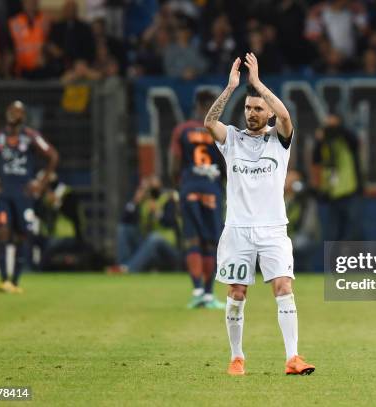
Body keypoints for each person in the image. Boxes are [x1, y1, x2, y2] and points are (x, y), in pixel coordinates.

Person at [204, 53, 315, 376]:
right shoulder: (233, 140)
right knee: (237, 293)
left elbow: (285, 115)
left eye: (257, 109)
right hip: (238, 230)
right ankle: (237, 357)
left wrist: (258, 84)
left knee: (283, 286)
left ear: (267, 113)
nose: (251, 113)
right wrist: (231, 88)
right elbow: (210, 123)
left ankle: (293, 358)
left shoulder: (279, 142)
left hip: (273, 231)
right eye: (248, 108)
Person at [0, 100, 59, 293]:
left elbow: (53, 156)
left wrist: (41, 184)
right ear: (6, 113)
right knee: (2, 231)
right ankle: (3, 279)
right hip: (3, 193)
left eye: (19, 111)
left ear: (24, 116)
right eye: (12, 111)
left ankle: (15, 281)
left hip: (23, 194)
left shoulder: (31, 137)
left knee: (23, 235)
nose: (15, 114)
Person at [168, 90, 225, 309]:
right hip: (212, 189)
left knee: (192, 240)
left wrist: (180, 187)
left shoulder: (182, 130)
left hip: (189, 187)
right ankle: (209, 295)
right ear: (210, 106)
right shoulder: (218, 130)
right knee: (211, 242)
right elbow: (227, 162)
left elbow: (173, 164)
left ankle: (197, 291)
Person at [110, 175, 180, 273]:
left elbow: (171, 222)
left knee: (154, 237)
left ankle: (128, 269)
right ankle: (123, 266)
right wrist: (135, 201)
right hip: (147, 246)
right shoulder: (143, 202)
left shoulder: (168, 199)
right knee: (123, 229)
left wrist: (157, 213)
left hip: (168, 248)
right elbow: (124, 220)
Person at [310, 114, 362, 241]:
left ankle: (354, 260)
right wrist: (319, 140)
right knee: (333, 234)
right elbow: (316, 159)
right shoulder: (324, 144)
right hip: (332, 194)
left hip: (350, 192)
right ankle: (335, 260)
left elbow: (354, 140)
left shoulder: (345, 140)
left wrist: (336, 126)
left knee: (353, 232)